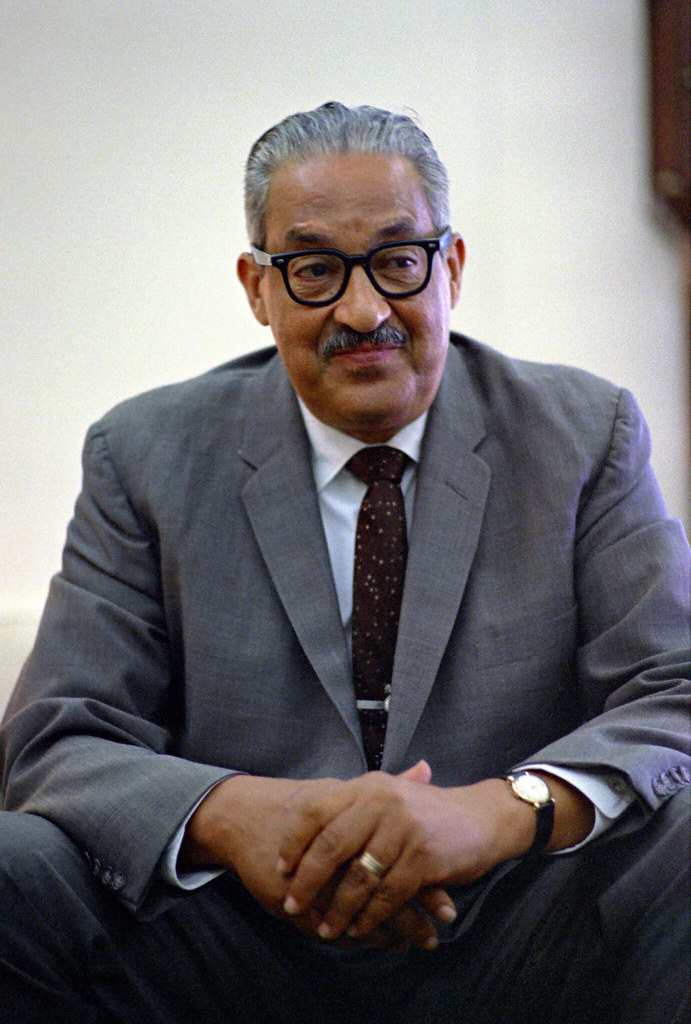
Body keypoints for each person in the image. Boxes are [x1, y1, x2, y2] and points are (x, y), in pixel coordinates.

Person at [1, 101, 689, 1024]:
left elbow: (672, 691)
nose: (363, 312)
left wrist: (494, 811)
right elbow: (56, 739)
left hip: (512, 923)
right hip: (233, 935)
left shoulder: (581, 433)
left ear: (450, 266)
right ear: (257, 288)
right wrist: (236, 812)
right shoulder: (146, 455)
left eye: (398, 261)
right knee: (16, 871)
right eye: (316, 270)